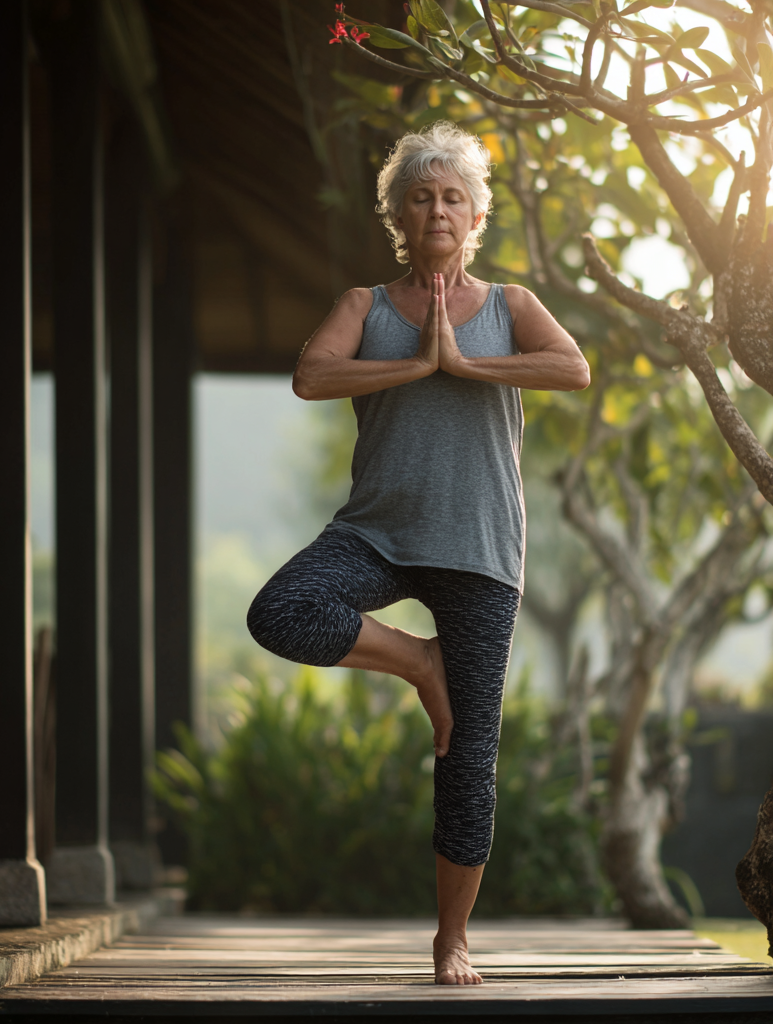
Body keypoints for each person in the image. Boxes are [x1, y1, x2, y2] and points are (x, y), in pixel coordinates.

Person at [246, 122, 590, 985]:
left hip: (479, 548)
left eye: (453, 197)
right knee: (281, 610)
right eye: (422, 196)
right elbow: (312, 375)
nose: (438, 208)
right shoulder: (364, 307)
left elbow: (572, 369)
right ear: (398, 214)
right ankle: (418, 663)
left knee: (468, 761)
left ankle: (451, 941)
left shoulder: (511, 305)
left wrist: (465, 366)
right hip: (377, 533)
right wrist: (416, 366)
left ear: (475, 216)